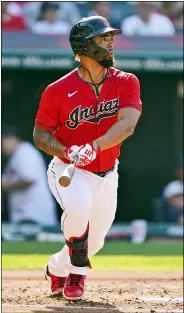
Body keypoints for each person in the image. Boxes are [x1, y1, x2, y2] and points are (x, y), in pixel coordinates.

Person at [33, 15, 142, 300]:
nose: (110, 42)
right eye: (103, 38)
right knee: (79, 210)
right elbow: (41, 136)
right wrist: (65, 150)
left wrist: (95, 145)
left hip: (106, 170)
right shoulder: (56, 91)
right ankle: (76, 276)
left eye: (110, 37)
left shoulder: (126, 81)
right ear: (85, 47)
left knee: (94, 241)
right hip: (69, 168)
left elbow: (127, 124)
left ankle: (56, 268)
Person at [2, 127, 57, 226]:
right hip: (25, 214)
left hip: (34, 214)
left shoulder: (24, 152)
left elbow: (29, 179)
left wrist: (4, 185)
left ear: (10, 139)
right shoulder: (17, 155)